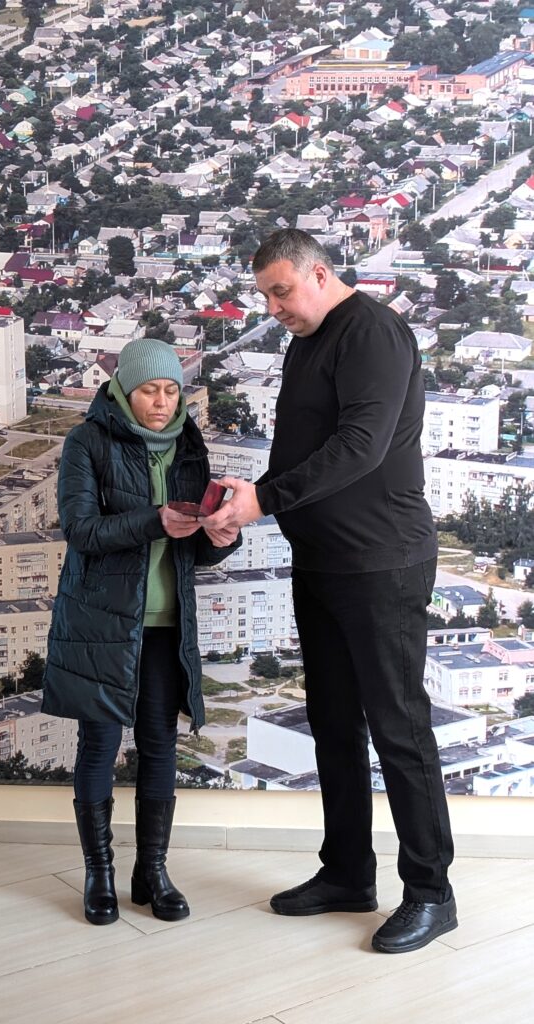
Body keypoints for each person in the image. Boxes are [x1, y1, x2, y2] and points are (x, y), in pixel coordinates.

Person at [202, 228, 457, 954]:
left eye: (281, 291)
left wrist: (263, 502)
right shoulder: (306, 339)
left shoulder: (371, 332)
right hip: (322, 559)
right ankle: (347, 873)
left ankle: (431, 894)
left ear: (319, 274)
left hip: (382, 561)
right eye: (265, 296)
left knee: (398, 728)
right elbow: (300, 452)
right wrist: (243, 503)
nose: (273, 307)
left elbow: (359, 447)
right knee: (334, 723)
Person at [42, 338, 240, 927]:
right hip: (100, 622)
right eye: (150, 390)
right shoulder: (87, 441)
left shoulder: (190, 445)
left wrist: (221, 539)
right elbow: (81, 531)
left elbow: (192, 550)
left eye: (171, 390)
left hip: (167, 623)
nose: (161, 401)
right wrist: (154, 521)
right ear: (124, 390)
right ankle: (98, 872)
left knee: (159, 745)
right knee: (100, 745)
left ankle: (151, 871)